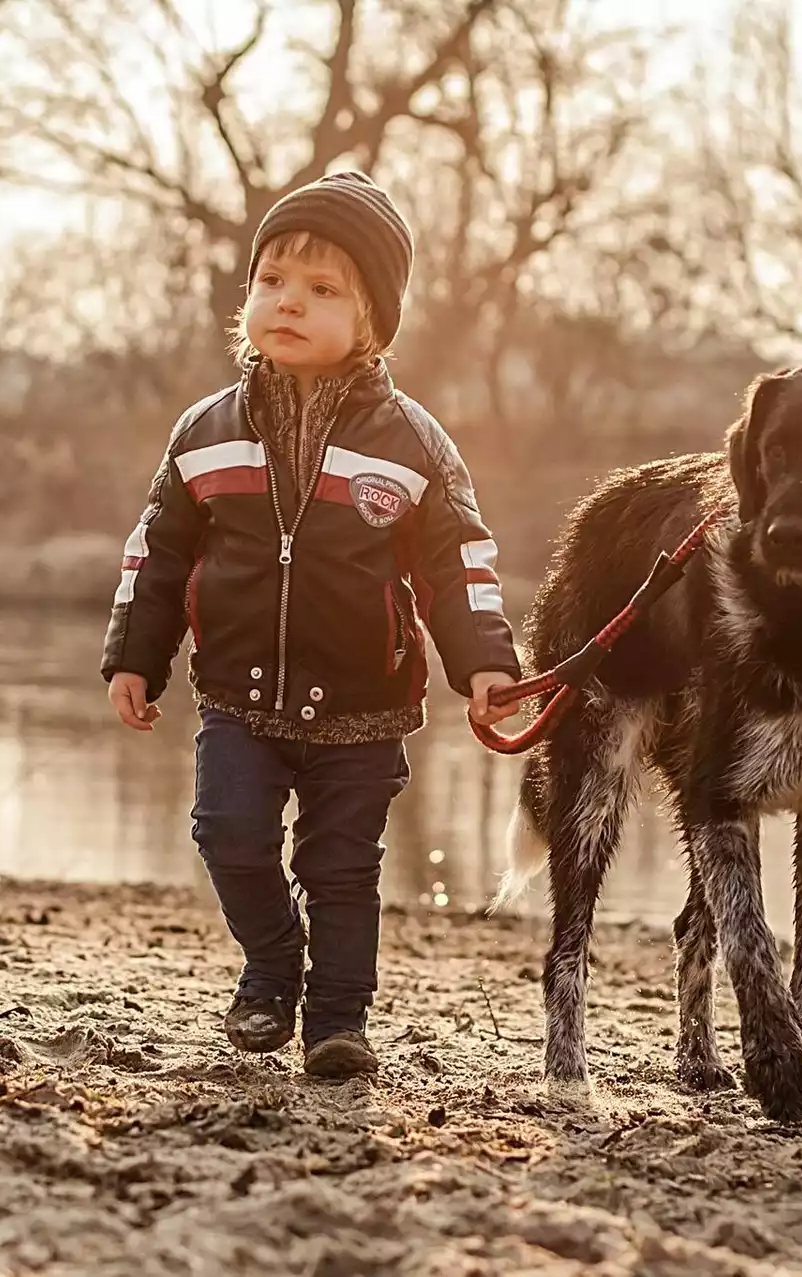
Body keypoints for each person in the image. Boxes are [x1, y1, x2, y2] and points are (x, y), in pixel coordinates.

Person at [101, 169, 524, 1078]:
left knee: (341, 869)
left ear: (371, 321)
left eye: (322, 289)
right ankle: (270, 964)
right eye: (272, 281)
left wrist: (485, 661)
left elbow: (460, 562)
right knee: (227, 831)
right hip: (238, 694)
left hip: (363, 707)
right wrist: (135, 655)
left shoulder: (410, 440)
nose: (288, 302)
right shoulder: (205, 430)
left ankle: (338, 1020)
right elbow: (158, 551)